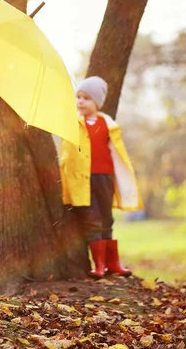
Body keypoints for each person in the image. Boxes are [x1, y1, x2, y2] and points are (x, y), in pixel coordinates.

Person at [60, 76, 143, 279]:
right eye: (78, 97)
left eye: (86, 98)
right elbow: (67, 155)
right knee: (92, 219)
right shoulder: (74, 124)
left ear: (97, 102)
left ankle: (113, 264)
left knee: (107, 218)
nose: (80, 101)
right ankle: (99, 265)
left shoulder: (108, 124)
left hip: (104, 178)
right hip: (84, 179)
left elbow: (116, 152)